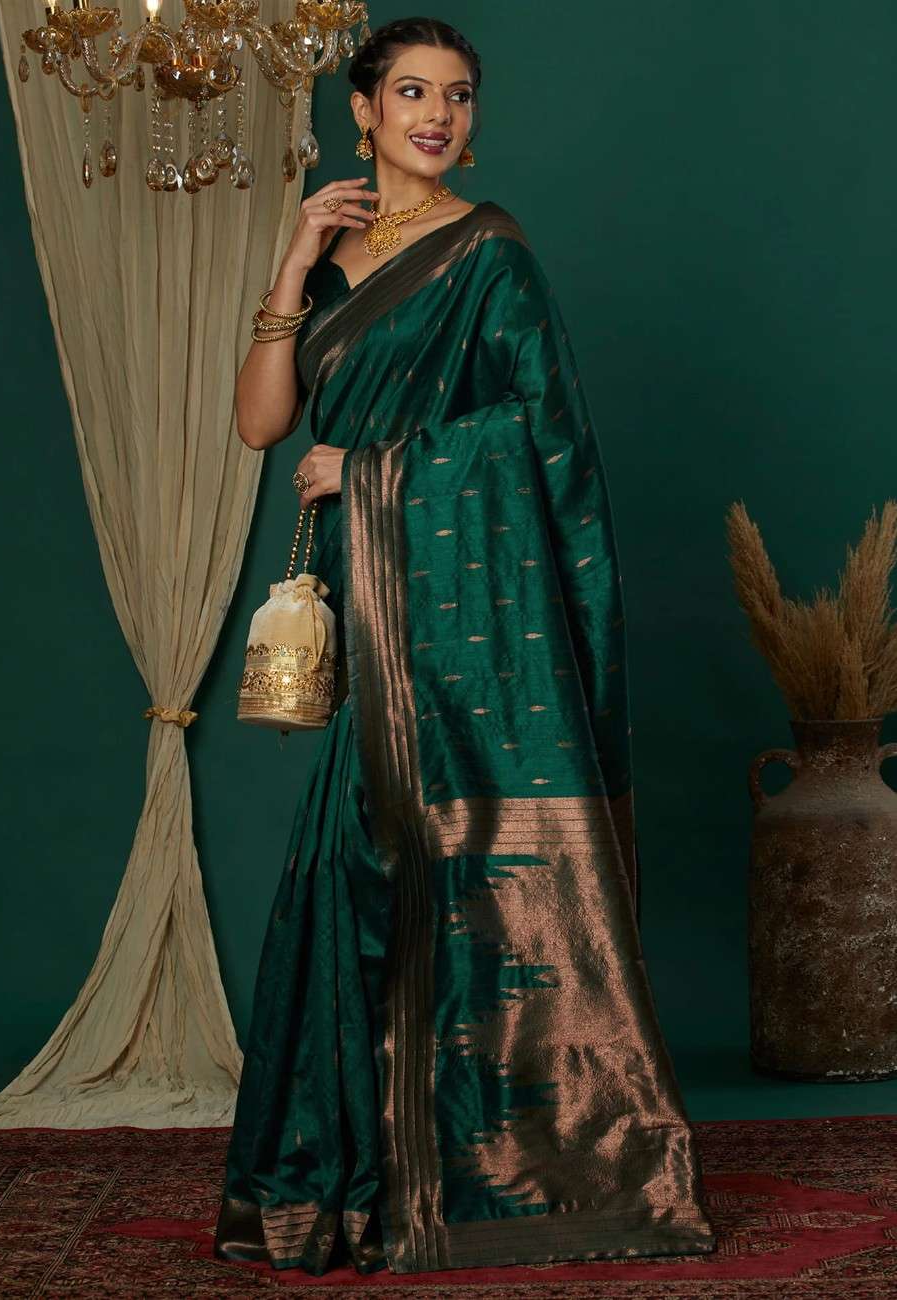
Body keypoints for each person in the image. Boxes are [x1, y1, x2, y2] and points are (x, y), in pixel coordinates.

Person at [214, 15, 717, 1277]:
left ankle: (497, 1180)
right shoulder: (335, 265)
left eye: (458, 97)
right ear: (364, 113)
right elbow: (259, 425)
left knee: (426, 869)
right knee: (351, 878)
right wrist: (291, 263)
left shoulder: (492, 259)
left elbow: (545, 448)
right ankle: (339, 1187)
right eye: (413, 94)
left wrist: (369, 471)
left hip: (454, 622)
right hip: (367, 610)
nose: (439, 117)